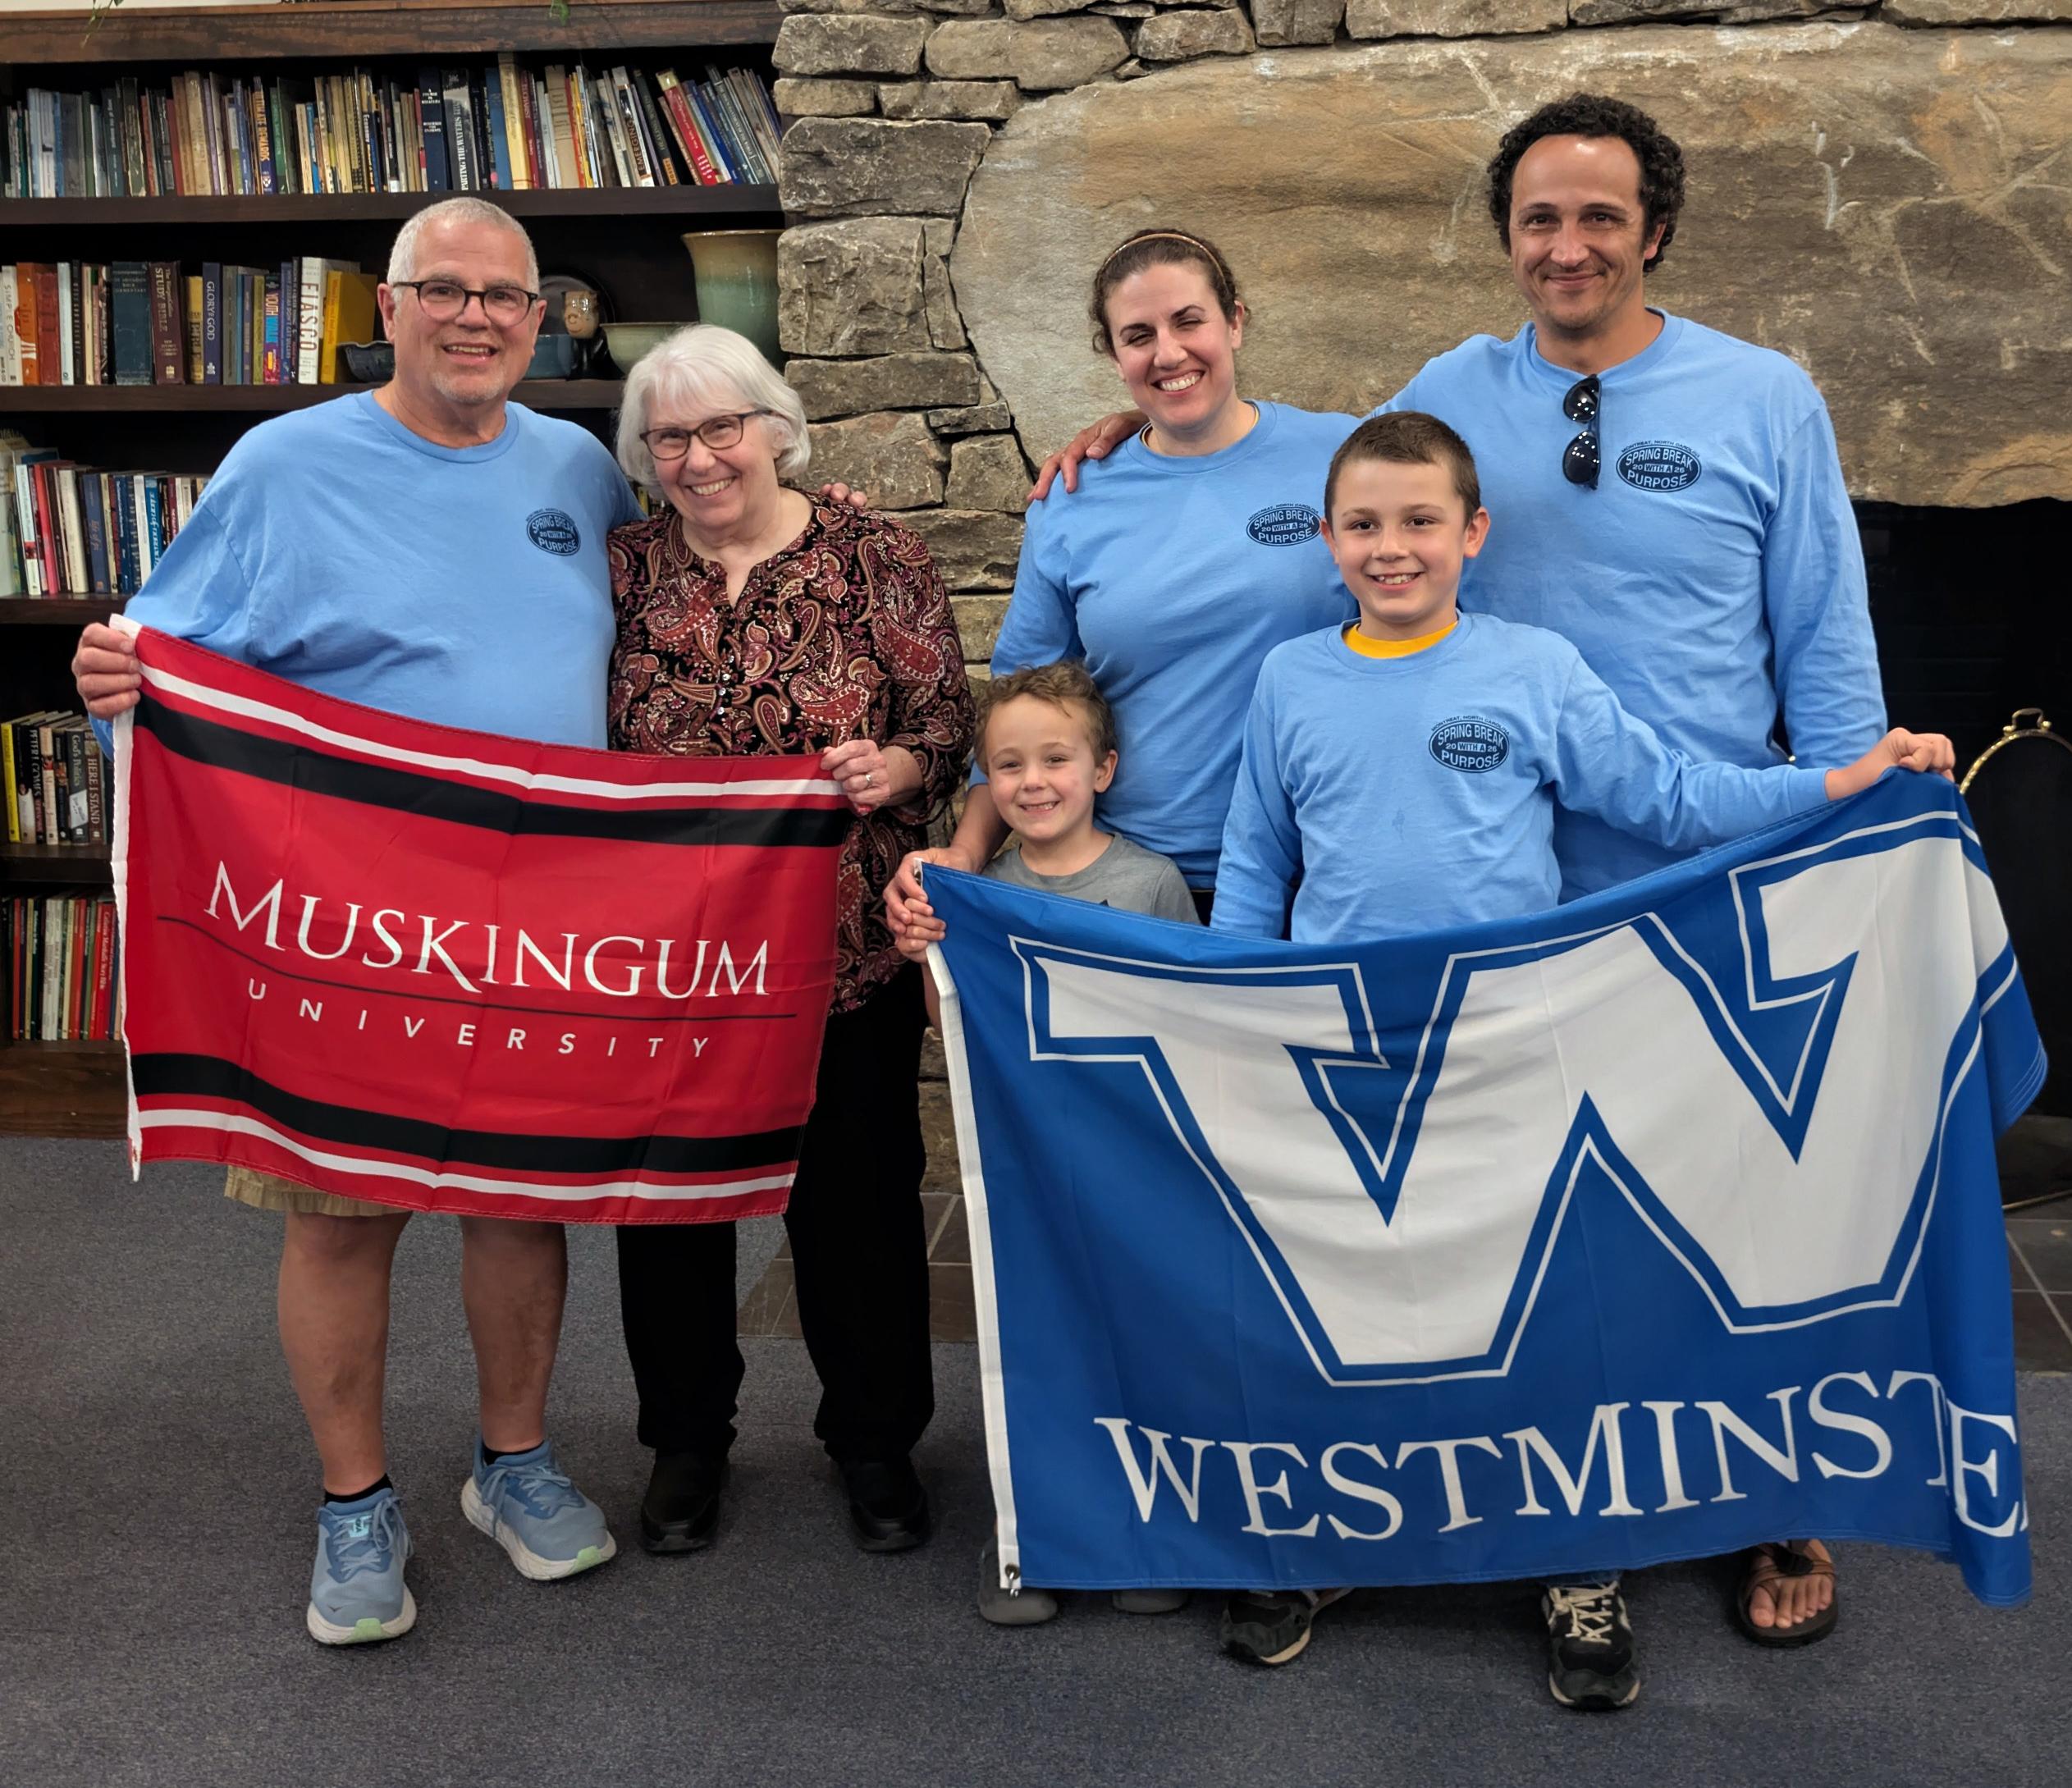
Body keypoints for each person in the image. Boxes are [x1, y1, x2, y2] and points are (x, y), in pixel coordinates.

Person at [1029, 93, 1878, 1699]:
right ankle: (1411, 1511)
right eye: (1535, 219)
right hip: (1481, 918)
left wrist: (1840, 823)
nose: (1564, 245)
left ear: (1651, 229)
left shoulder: (1762, 399)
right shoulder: (1443, 397)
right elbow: (1327, 484)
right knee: (1459, 1242)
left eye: (1596, 216)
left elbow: (1821, 640)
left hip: (1697, 870)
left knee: (1720, 1221)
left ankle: (1760, 1505)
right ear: (1504, 236)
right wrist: (1113, 445)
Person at [1212, 411, 1951, 1694]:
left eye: (1420, 520)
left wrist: (1837, 783)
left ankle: (1581, 1559)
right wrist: (1223, 1008)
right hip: (1353, 1052)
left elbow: (1669, 795)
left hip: (1516, 1043)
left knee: (1549, 1308)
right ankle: (1349, 1537)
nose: (1393, 548)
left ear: (1473, 533)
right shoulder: (1289, 680)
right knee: (1366, 1297)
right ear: (1329, 538)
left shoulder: (1532, 667)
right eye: (1365, 523)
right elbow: (1254, 862)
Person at [71, 196, 639, 1644]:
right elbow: (170, 654)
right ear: (386, 307)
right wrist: (118, 683)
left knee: (521, 1199)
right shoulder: (288, 462)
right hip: (351, 922)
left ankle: (512, 1463)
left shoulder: (581, 463)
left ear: (540, 318)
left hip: (542, 918)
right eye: (442, 289)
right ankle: (354, 1500)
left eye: (507, 295)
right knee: (342, 1208)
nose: (476, 317)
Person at [881, 229, 1361, 1662]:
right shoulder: (1081, 498)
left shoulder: (1338, 459)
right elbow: (1023, 708)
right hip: (1123, 905)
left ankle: (1270, 1498)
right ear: (1109, 356)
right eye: (1137, 336)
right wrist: (948, 876)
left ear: (1238, 315)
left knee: (1275, 1224)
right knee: (1108, 1219)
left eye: (1189, 321)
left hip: (1295, 900)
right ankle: (1107, 1493)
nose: (1168, 353)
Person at [606, 324, 975, 1560]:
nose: (701, 457)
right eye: (671, 436)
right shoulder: (616, 569)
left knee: (856, 1202)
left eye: (723, 427)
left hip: (838, 950)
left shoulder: (873, 554)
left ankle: (874, 1439)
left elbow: (945, 719)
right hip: (661, 960)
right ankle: (686, 1437)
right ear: (644, 454)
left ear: (776, 427)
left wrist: (901, 763)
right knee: (668, 1208)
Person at [894, 661, 1198, 1626]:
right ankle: (1028, 1531)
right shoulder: (973, 895)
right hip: (1027, 1170)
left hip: (1136, 1171)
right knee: (1032, 1348)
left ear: (1102, 767)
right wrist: (926, 957)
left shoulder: (1151, 883)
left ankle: (1142, 1526)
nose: (1032, 781)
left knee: (1140, 1341)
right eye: (1007, 764)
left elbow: (1196, 1026)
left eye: (1055, 758)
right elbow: (951, 1028)